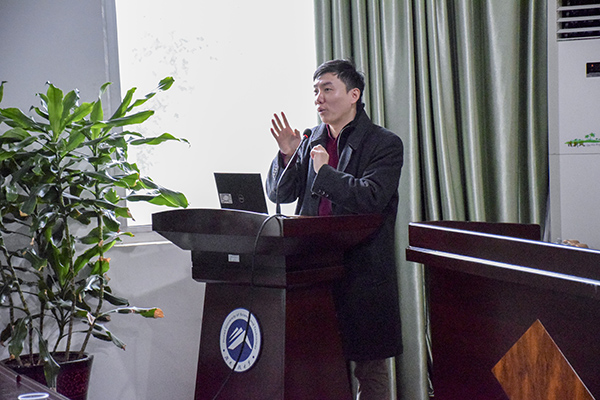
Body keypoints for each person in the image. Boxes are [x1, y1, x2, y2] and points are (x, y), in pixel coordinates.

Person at [266, 59, 404, 400]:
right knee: (322, 365)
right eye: (316, 91)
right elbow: (280, 194)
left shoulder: (383, 143)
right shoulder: (310, 139)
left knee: (369, 368)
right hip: (314, 270)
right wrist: (287, 154)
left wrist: (325, 173)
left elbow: (371, 198)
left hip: (361, 270)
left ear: (354, 95)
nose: (319, 99)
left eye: (328, 89)